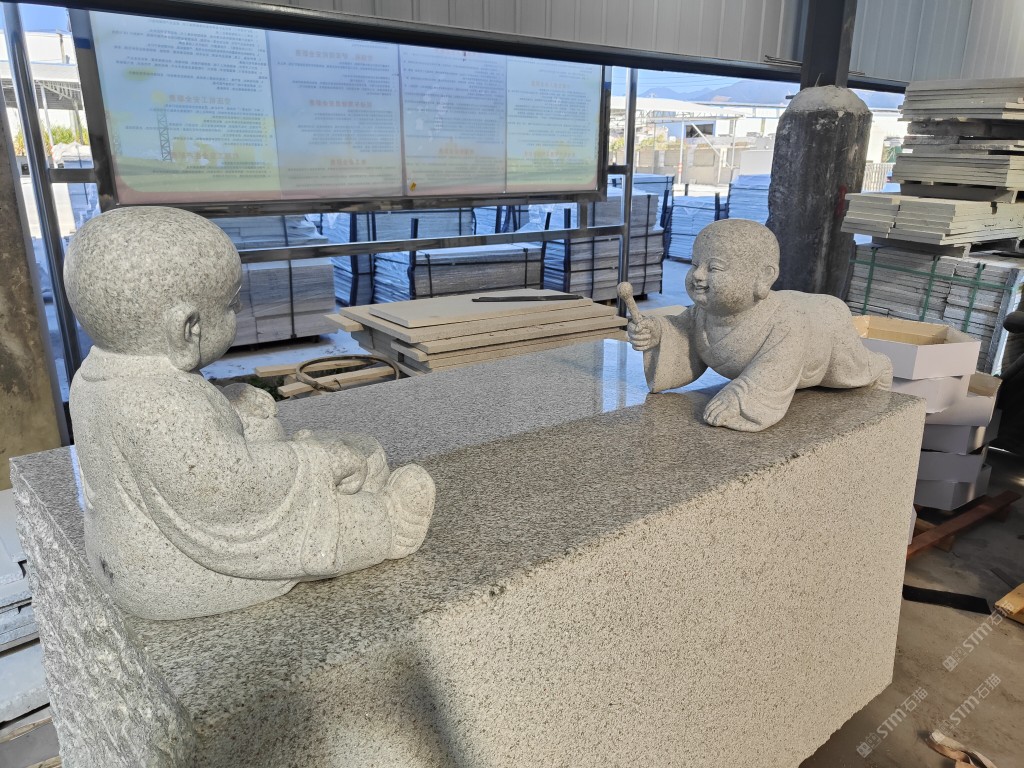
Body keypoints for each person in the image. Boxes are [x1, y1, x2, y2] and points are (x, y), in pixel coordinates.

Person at [65, 206, 434, 620]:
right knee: (327, 526)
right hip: (176, 574)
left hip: (122, 560)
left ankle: (350, 487)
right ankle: (387, 524)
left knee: (283, 436)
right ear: (186, 330)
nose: (238, 312)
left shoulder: (94, 377)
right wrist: (314, 462)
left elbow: (176, 456)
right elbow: (228, 491)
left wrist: (228, 405)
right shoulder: (160, 403)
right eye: (231, 305)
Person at [627, 219, 892, 432]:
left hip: (824, 324)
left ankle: (881, 367)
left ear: (763, 277)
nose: (697, 275)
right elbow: (681, 331)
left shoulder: (786, 320)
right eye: (695, 264)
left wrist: (738, 396)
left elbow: (776, 367)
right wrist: (657, 332)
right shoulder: (701, 314)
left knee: (849, 373)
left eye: (714, 268)